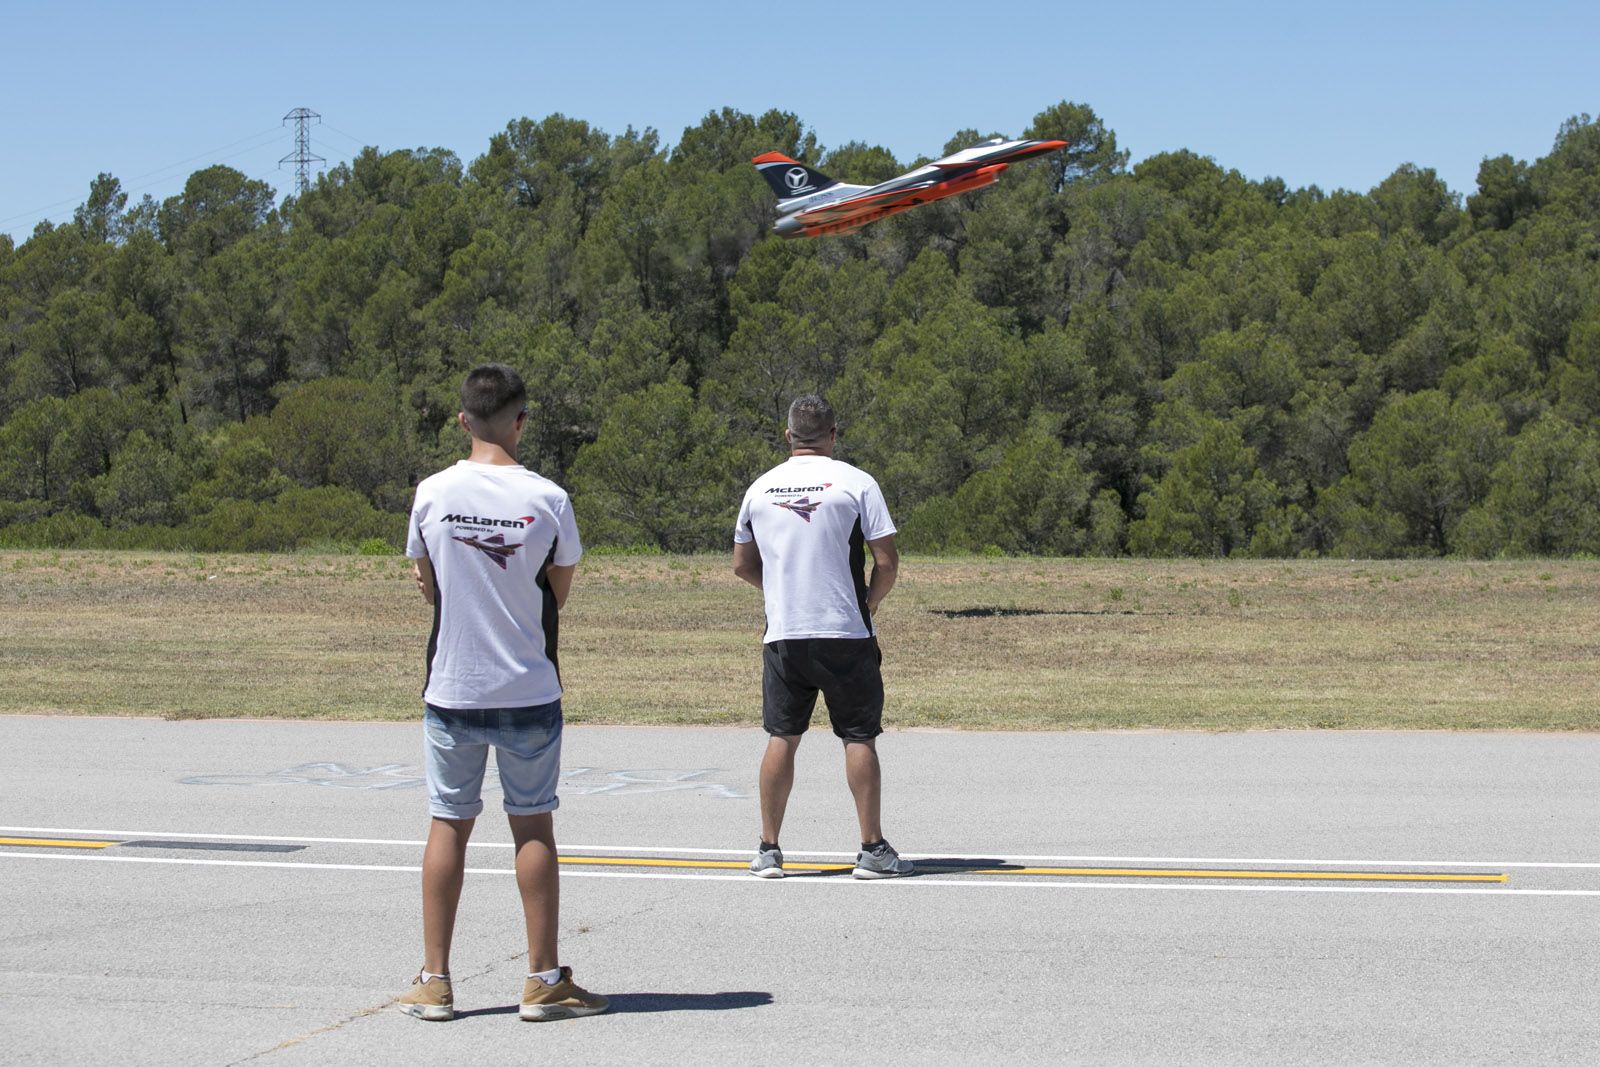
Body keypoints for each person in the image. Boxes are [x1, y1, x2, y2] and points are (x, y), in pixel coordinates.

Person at [396, 363, 608, 1023]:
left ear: (463, 420)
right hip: (528, 685)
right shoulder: (549, 498)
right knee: (533, 823)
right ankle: (543, 978)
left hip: (453, 686)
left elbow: (426, 581)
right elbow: (559, 590)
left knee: (448, 823)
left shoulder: (432, 493)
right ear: (521, 420)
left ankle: (435, 979)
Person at [732, 394, 913, 880]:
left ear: (788, 435)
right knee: (859, 736)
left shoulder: (760, 488)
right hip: (846, 631)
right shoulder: (856, 482)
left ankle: (768, 850)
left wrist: (783, 593)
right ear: (834, 435)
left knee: (781, 736)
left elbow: (741, 564)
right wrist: (869, 603)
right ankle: (872, 850)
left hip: (785, 634)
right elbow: (888, 562)